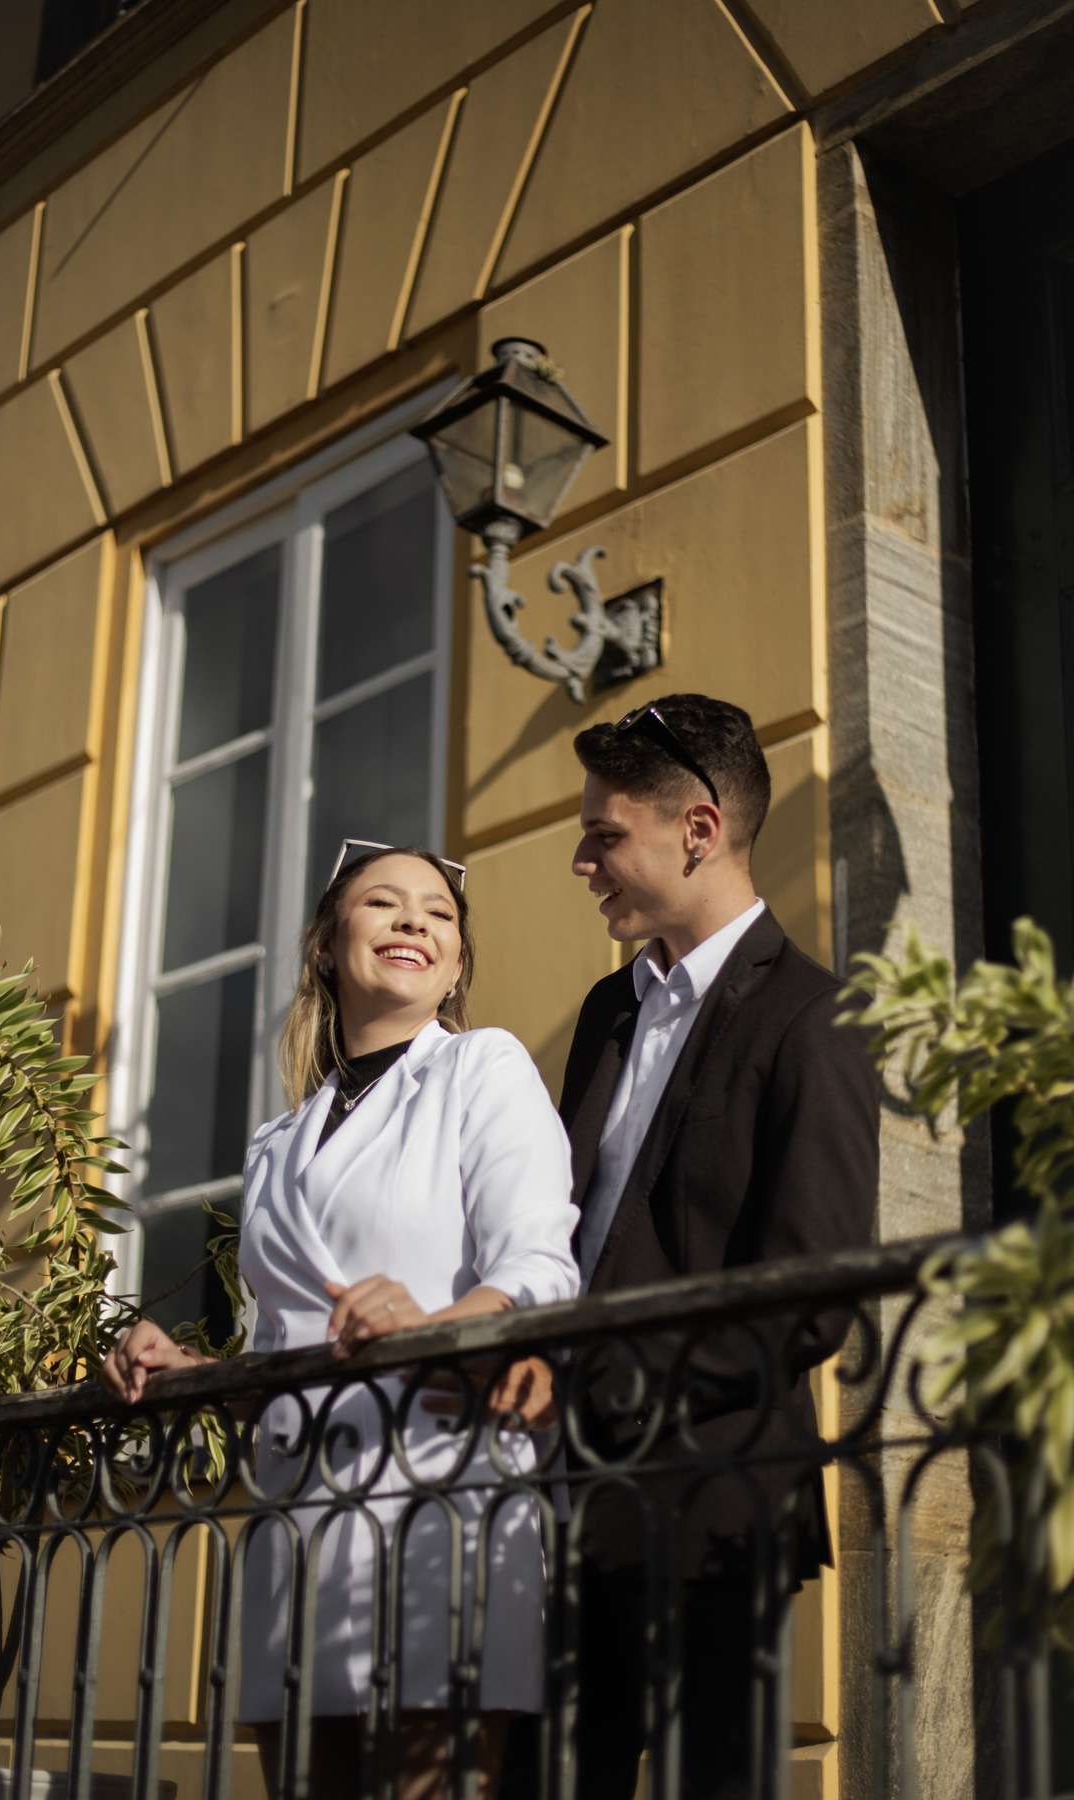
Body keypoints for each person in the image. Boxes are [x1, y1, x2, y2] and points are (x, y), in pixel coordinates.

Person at [103, 844, 579, 1800]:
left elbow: (541, 1268)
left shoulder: (482, 1069)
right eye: (384, 904)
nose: (414, 923)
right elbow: (283, 1358)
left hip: (438, 1498)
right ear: (324, 944)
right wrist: (189, 1370)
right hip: (298, 1521)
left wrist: (434, 1324)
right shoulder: (275, 1144)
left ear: (455, 959)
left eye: (438, 914)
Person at [559, 694, 880, 1800]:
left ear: (697, 830)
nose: (582, 863)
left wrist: (609, 1385)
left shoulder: (815, 1018)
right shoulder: (605, 1011)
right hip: (559, 1491)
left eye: (604, 836)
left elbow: (812, 1295)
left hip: (713, 1493)